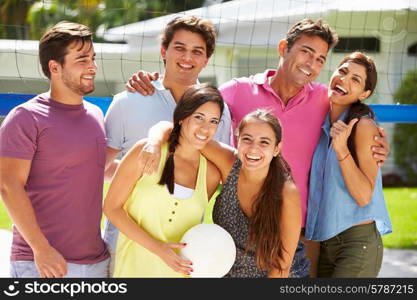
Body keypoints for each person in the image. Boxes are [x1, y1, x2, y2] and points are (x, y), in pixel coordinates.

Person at [126, 18, 390, 276]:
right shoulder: (237, 91)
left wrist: (376, 141)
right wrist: (157, 81)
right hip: (238, 227)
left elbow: (356, 109)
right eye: (306, 52)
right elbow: (196, 109)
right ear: (284, 48)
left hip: (299, 230)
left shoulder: (325, 98)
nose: (312, 64)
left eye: (320, 59)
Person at [103, 16, 231, 274]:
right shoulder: (129, 101)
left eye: (197, 51)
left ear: (206, 60)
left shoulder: (220, 112)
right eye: (179, 48)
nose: (188, 57)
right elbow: (99, 169)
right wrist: (135, 172)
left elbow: (217, 174)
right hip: (125, 245)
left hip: (183, 254)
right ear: (164, 51)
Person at [0, 21, 109, 278]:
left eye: (93, 58)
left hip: (95, 261)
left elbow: (96, 170)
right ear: (55, 67)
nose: (92, 66)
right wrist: (41, 249)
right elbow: (8, 185)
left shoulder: (95, 114)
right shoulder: (25, 117)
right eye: (82, 60)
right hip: (42, 263)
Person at [148, 109, 302, 277]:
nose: (253, 149)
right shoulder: (229, 162)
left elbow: (282, 266)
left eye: (264, 142)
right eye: (247, 139)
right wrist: (153, 144)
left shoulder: (286, 193)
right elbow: (176, 130)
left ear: (276, 149)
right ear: (237, 141)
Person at [103, 84, 223, 277]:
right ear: (182, 118)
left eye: (213, 121)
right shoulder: (146, 151)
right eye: (199, 117)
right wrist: (158, 248)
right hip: (132, 270)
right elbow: (111, 208)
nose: (205, 128)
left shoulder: (210, 174)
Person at [305, 52, 392, 277]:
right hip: (324, 242)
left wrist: (341, 148)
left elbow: (364, 196)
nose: (344, 79)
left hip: (356, 243)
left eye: (355, 79)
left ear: (364, 93)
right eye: (342, 71)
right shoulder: (322, 122)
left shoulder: (363, 126)